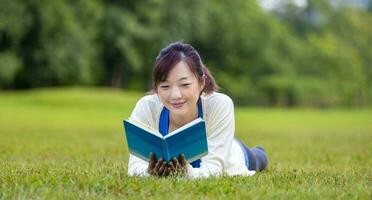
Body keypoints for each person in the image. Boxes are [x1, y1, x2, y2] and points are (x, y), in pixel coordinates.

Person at [127, 42, 268, 178]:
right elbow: (134, 167)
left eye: (185, 84)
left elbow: (214, 170)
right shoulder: (146, 107)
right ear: (156, 87)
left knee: (259, 158)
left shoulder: (219, 104)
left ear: (202, 83)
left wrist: (185, 173)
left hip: (231, 152)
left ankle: (258, 153)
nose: (175, 95)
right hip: (216, 139)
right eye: (165, 86)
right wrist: (150, 173)